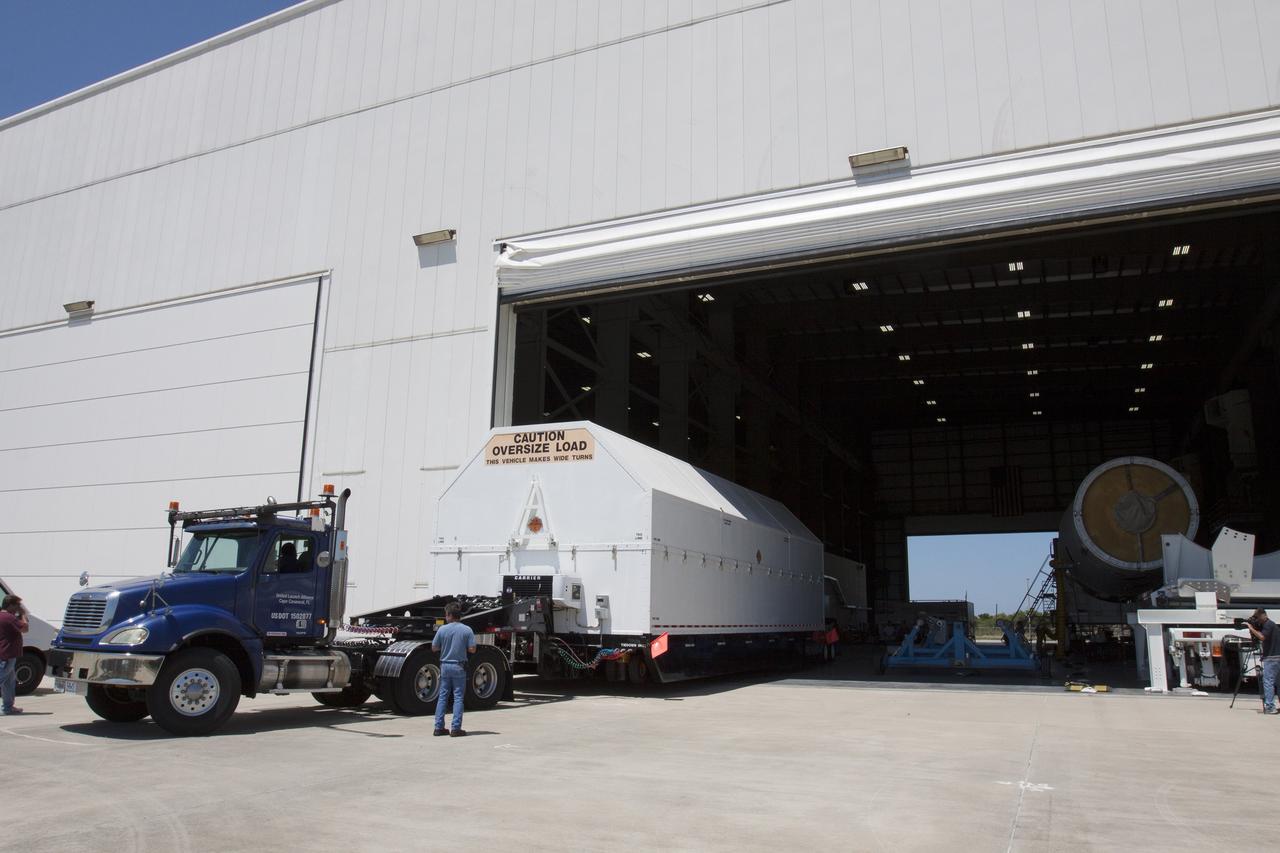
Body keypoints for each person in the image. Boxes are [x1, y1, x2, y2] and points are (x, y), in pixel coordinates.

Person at [431, 602, 476, 737]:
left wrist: (445, 647)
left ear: (450, 615)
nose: (445, 617)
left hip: (444, 665)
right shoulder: (467, 630)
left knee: (443, 697)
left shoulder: (442, 630)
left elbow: (434, 647)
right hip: (459, 666)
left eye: (446, 615)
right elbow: (472, 649)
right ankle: (456, 728)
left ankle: (439, 727)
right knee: (458, 697)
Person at [1244, 607, 1280, 715]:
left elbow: (1262, 637)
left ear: (1263, 615)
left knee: (1268, 682)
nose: (1257, 620)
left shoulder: (1268, 625)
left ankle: (1270, 707)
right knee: (1278, 683)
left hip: (1271, 658)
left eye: (1258, 617)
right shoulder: (1271, 625)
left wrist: (1251, 628)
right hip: (1277, 657)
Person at [0, 594, 30, 716]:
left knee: (9, 683)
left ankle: (8, 707)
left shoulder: (3, 616)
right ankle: (8, 707)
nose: (19, 607)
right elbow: (25, 628)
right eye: (17, 605)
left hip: (6, 654)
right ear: (11, 605)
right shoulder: (9, 618)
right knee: (2, 679)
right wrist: (23, 614)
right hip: (6, 654)